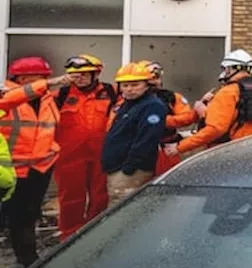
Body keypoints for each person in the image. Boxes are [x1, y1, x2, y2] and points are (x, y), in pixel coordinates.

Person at [0, 57, 68, 266]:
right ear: (22, 78)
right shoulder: (6, 95)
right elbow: (14, 98)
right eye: (41, 77)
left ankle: (28, 260)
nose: (45, 80)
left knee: (28, 216)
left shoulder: (48, 99)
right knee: (12, 216)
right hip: (10, 170)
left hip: (40, 167)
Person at [164, 49, 252, 159]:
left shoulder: (228, 92)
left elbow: (215, 129)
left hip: (228, 154)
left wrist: (179, 147)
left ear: (229, 69)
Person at [53, 54, 116, 240]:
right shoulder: (61, 95)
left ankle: (94, 234)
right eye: (74, 75)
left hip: (102, 153)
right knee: (70, 197)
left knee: (100, 196)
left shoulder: (112, 92)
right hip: (69, 156)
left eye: (83, 74)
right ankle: (69, 237)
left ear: (95, 74)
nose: (78, 78)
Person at [101, 62, 168, 201]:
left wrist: (130, 167)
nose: (129, 89)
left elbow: (147, 139)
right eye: (125, 85)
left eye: (135, 85)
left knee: (123, 210)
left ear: (146, 84)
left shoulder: (152, 106)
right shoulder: (129, 104)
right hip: (117, 167)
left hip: (131, 171)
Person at [140, 61, 196, 176]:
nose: (155, 81)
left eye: (157, 77)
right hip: (139, 148)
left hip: (166, 147)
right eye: (152, 78)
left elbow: (187, 117)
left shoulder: (171, 97)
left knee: (166, 179)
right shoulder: (130, 98)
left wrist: (163, 121)